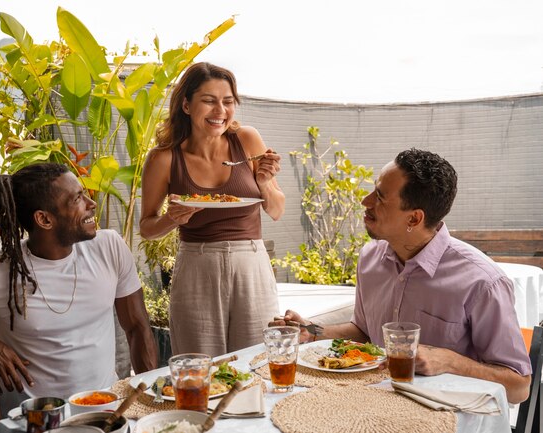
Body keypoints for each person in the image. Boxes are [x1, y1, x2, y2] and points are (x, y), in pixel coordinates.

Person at [273, 148, 531, 404]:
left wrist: (450, 361)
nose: (366, 201)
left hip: (450, 416)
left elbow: (519, 387)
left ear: (414, 218)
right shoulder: (370, 258)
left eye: (381, 197)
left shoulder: (482, 282)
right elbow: (364, 332)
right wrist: (313, 331)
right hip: (372, 403)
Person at [0, 163, 157, 414]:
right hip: (33, 419)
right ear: (44, 219)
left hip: (106, 412)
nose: (91, 203)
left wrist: (151, 404)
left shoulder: (109, 247)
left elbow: (137, 326)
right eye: (77, 198)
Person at [139, 62, 285, 357]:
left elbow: (277, 210)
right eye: (208, 100)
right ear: (186, 105)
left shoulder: (246, 140)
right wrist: (171, 218)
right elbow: (147, 227)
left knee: (256, 361)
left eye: (227, 101)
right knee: (200, 365)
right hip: (196, 264)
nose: (220, 110)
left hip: (251, 262)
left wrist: (264, 182)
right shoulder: (164, 158)